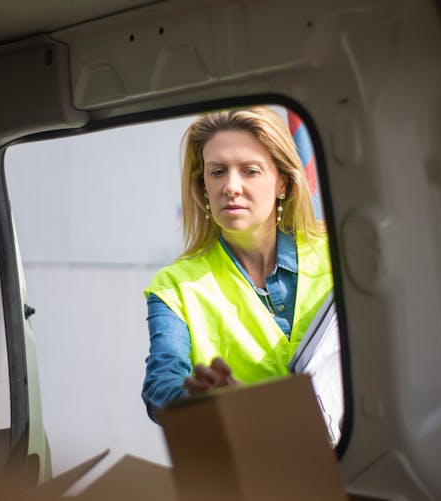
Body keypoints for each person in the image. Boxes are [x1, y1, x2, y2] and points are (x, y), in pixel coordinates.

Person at [141, 106, 333, 423]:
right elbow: (160, 385)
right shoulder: (174, 286)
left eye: (250, 170)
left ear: (283, 182)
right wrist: (197, 398)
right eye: (217, 172)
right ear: (203, 186)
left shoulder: (338, 253)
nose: (231, 186)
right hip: (243, 465)